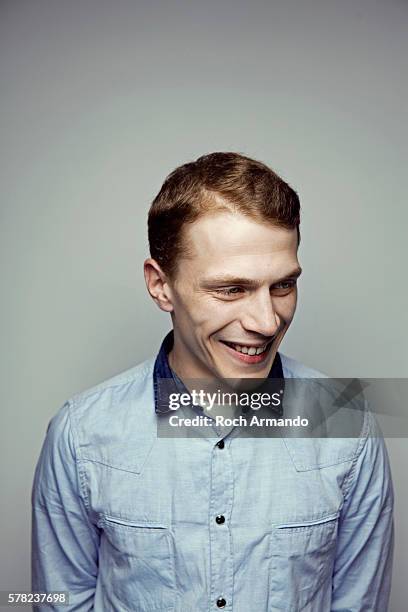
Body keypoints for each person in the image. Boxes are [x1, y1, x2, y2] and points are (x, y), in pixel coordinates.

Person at [31, 152, 394, 611]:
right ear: (161, 285)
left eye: (283, 286)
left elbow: (361, 603)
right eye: (232, 289)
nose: (267, 321)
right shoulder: (80, 433)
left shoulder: (349, 423)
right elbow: (57, 599)